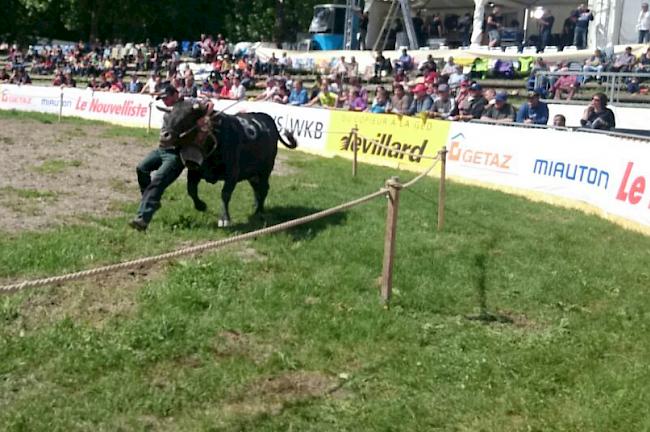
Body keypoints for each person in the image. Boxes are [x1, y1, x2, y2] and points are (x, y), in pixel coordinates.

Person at [129, 83, 214, 231]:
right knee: (142, 168)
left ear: (175, 94)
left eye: (166, 98)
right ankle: (151, 201)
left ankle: (142, 219)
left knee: (158, 181)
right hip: (162, 149)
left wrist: (204, 117)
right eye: (162, 99)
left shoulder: (190, 103)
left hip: (176, 154)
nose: (164, 101)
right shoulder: (170, 108)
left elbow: (209, 103)